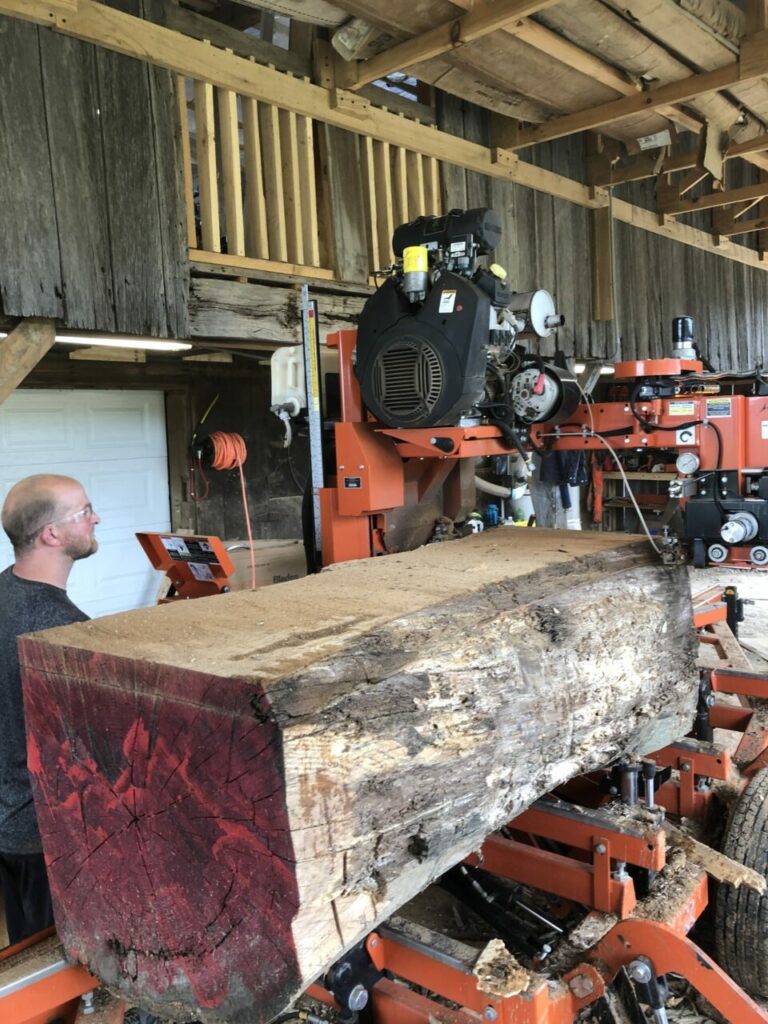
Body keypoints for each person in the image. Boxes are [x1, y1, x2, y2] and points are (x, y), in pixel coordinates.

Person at [0, 474, 100, 944]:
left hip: (8, 824)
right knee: (53, 965)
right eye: (84, 511)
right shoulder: (67, 634)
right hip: (43, 834)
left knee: (23, 943)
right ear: (51, 535)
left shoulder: (4, 590)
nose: (95, 518)